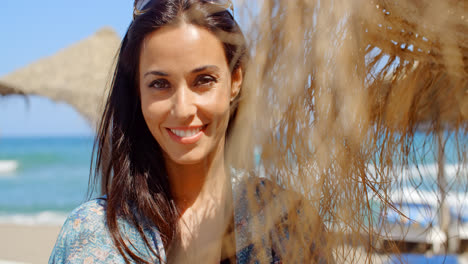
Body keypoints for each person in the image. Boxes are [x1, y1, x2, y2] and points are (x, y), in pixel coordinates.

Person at [49, 0, 331, 263]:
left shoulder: (287, 224)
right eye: (160, 84)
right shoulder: (90, 235)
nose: (182, 109)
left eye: (203, 80)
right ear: (137, 89)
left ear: (235, 80)